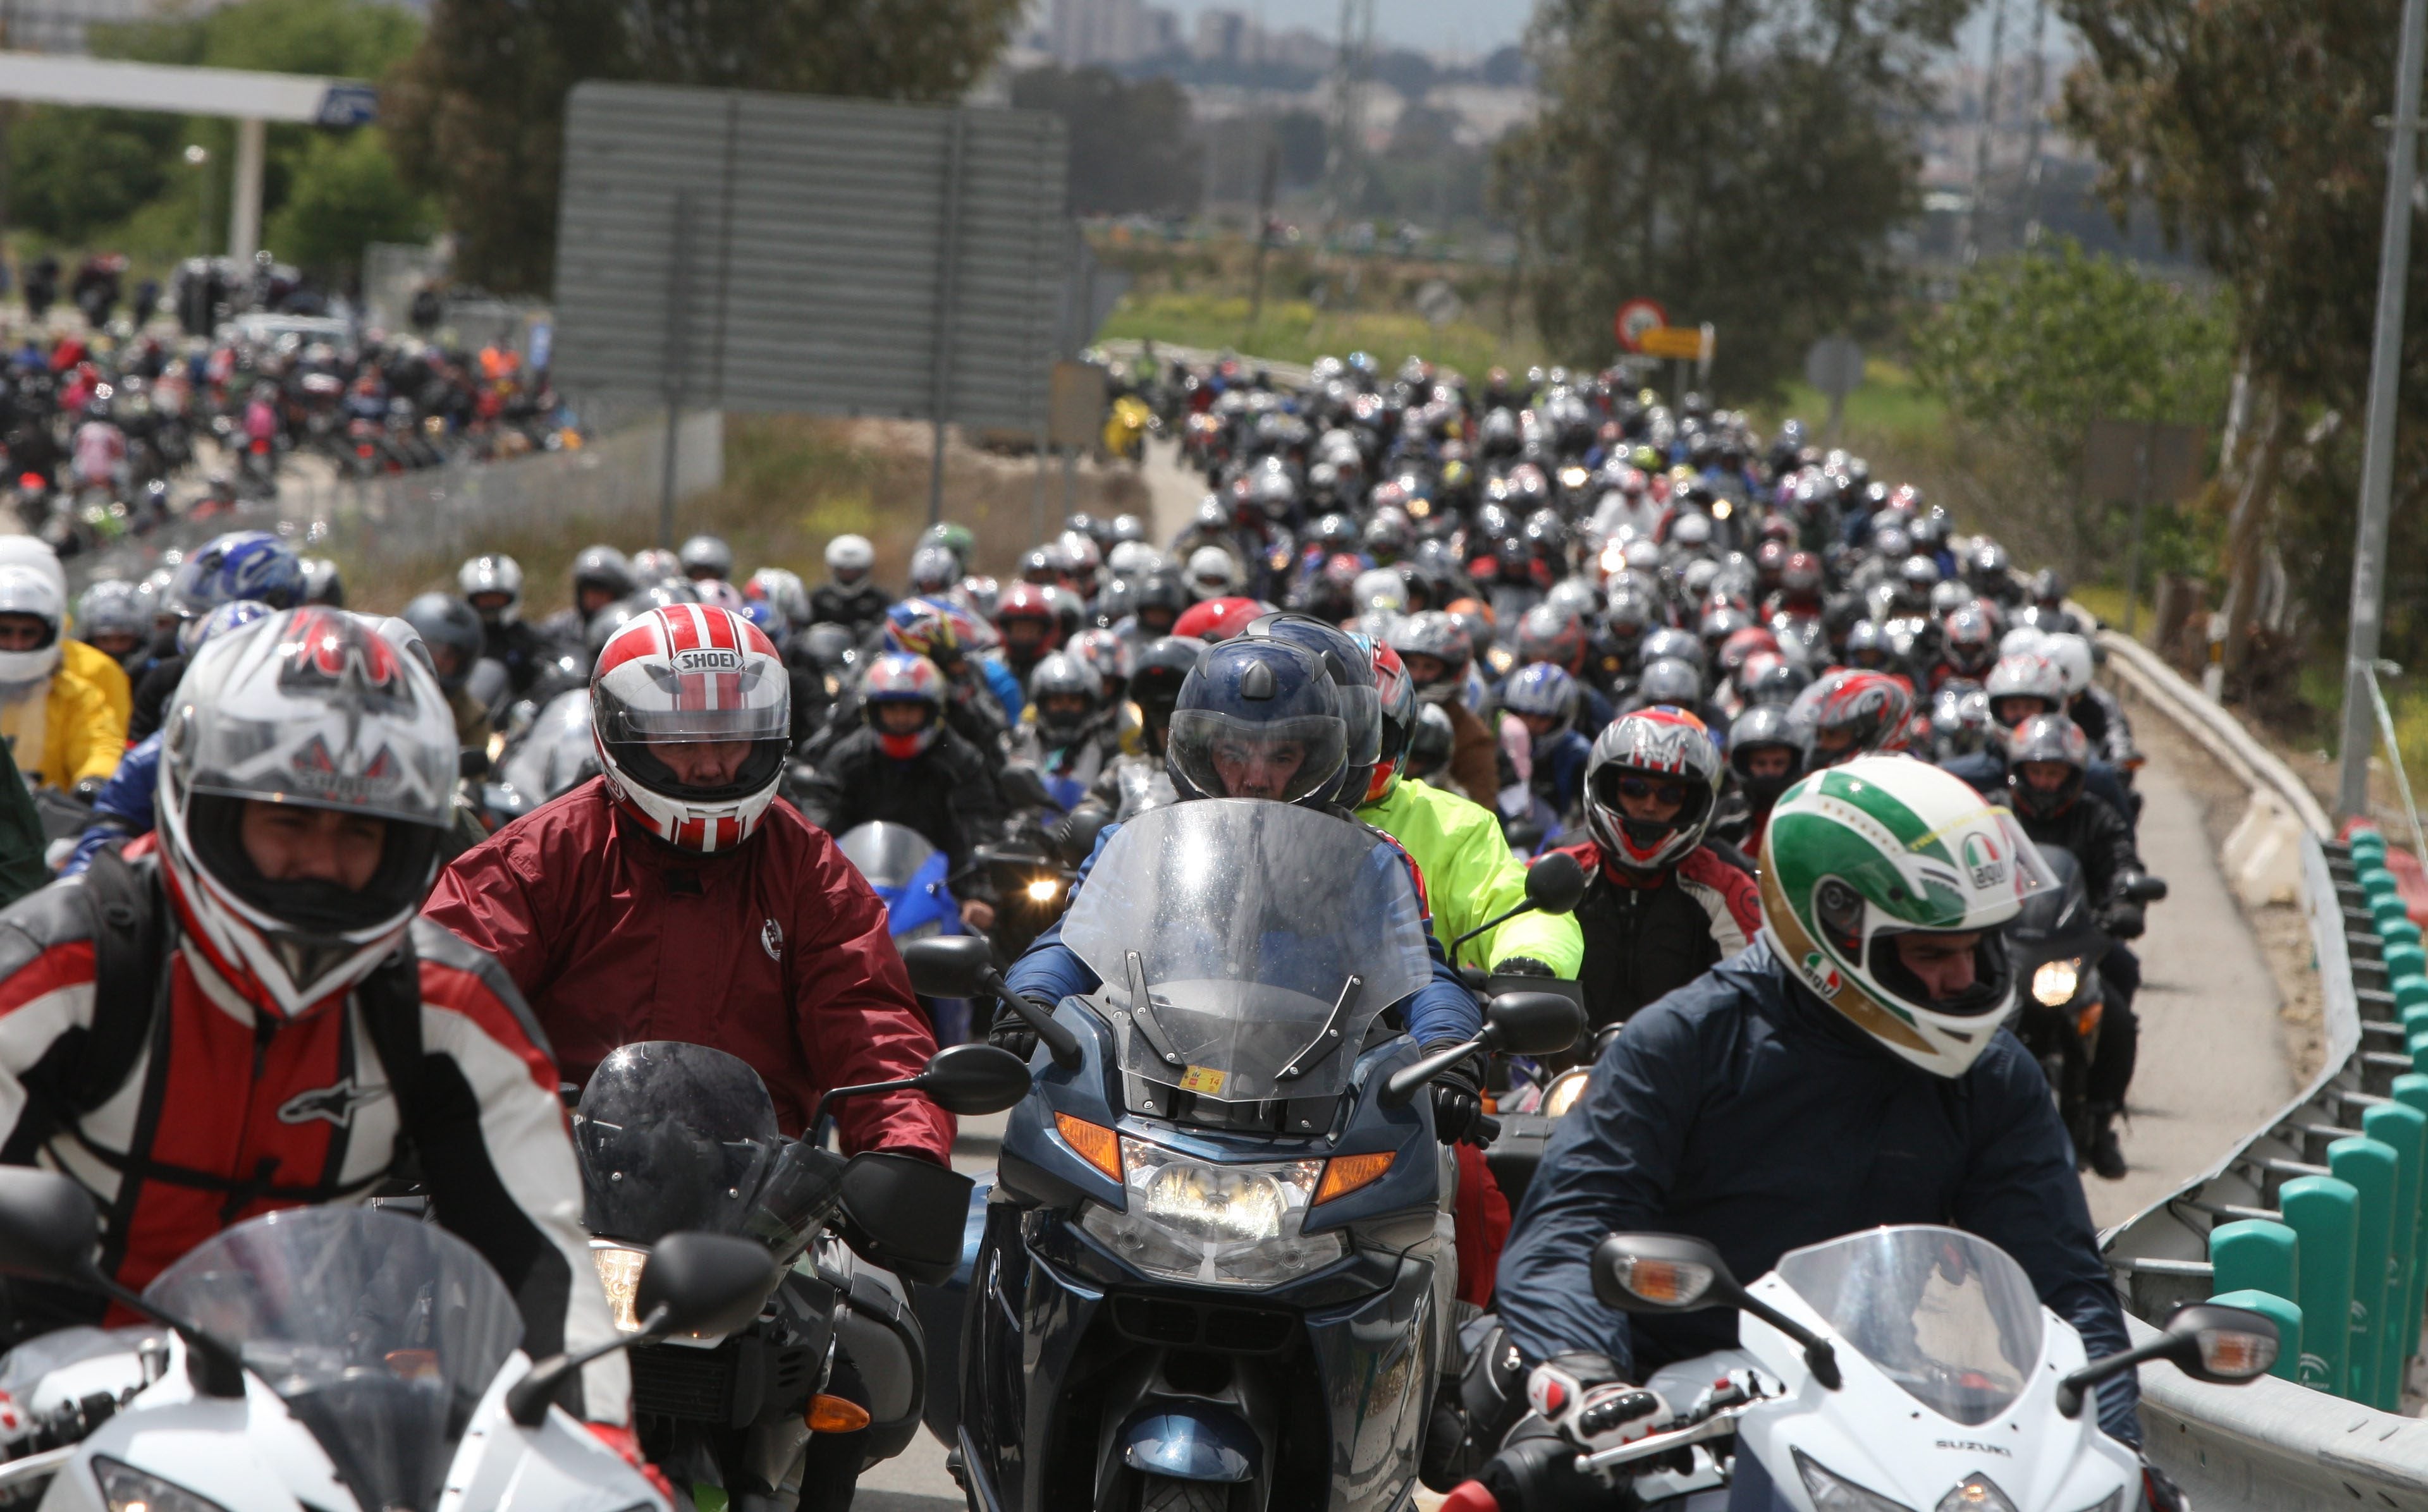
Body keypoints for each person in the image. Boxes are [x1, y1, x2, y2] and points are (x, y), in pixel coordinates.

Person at [0, 608, 635, 1438]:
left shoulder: (448, 1004)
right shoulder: (61, 967)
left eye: (361, 832)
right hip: (36, 1395)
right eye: (287, 822)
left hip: (308, 1404)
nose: (322, 863)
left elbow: (546, 1266)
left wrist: (602, 1460)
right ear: (205, 803)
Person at [1481, 757, 2142, 1477]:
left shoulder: (1991, 1072)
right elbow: (1574, 1222)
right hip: (1662, 1414)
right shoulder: (1685, 1040)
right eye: (1930, 952)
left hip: (1884, 1413)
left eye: (1978, 948)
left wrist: (2115, 1446)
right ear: (1833, 926)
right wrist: (1589, 1373)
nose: (1965, 979)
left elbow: (2067, 1285)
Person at [424, 602, 955, 1164]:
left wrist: (907, 1148)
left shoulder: (808, 868)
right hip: (558, 1187)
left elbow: (871, 1024)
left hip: (759, 1203)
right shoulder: (540, 857)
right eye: (682, 742)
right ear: (622, 732)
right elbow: (443, 995)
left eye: (731, 740)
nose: (709, 767)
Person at [1000, 637, 1488, 1146]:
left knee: (1445, 1195)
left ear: (1316, 757)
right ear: (1202, 753)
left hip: (1321, 1108)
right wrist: (1031, 998)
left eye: (1282, 755)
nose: (1256, 777)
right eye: (1234, 753)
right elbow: (1073, 940)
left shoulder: (1371, 861)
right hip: (1145, 1088)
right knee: (1027, 1181)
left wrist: (1448, 1051)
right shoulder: (1140, 842)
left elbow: (1420, 974)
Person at [1544, 708, 1758, 1039]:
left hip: (1683, 1075)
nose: (1649, 806)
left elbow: (1752, 990)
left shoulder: (1727, 889)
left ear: (1693, 802)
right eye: (1634, 788)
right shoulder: (1558, 872)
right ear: (1607, 787)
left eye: (1671, 794)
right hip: (1561, 1071)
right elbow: (1505, 953)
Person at [2001, 713, 2147, 1180]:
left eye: (2055, 773)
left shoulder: (2096, 817)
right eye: (2037, 772)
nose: (2045, 782)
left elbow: (2123, 863)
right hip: (1999, 943)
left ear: (2074, 776)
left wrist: (2126, 897)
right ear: (2020, 772)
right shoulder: (1992, 815)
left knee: (2120, 1004)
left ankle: (2101, 1121)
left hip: (2072, 946)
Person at [792, 652, 1006, 933]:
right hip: (855, 893)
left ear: (933, 710)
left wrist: (979, 895)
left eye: (911, 708)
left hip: (940, 896)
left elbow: (979, 829)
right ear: (873, 711)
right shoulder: (847, 759)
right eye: (891, 708)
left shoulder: (961, 761)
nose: (901, 718)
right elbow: (819, 829)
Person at [126, 531, 304, 741]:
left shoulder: (302, 674)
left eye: (207, 617)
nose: (194, 630)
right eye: (195, 620)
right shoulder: (164, 680)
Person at [0, 566, 123, 795]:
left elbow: (100, 745)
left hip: (46, 823)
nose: (16, 644)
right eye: (4, 632)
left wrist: (94, 779)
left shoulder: (75, 695)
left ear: (51, 634)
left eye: (28, 633)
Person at [458, 554, 549, 697]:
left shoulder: (528, 638)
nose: (490, 605)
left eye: (496, 598)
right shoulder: (461, 640)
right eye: (484, 599)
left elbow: (545, 677)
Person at [539, 546, 639, 650]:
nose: (594, 598)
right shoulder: (563, 629)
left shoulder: (628, 628)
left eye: (601, 591)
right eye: (589, 590)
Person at [812, 534, 889, 634]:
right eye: (843, 570)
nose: (848, 575)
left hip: (866, 649)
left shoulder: (879, 599)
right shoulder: (820, 597)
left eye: (854, 571)